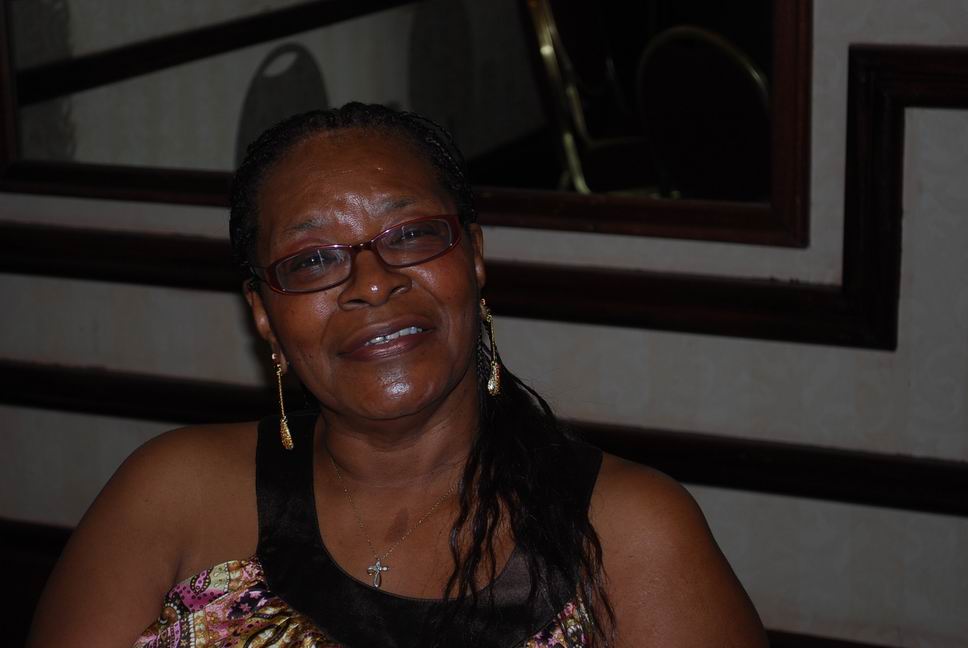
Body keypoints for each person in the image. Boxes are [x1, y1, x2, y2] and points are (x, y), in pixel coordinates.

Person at [27, 103, 766, 647]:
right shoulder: (169, 494)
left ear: (473, 257)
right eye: (313, 259)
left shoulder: (633, 533)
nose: (373, 281)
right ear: (263, 313)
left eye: (409, 234)